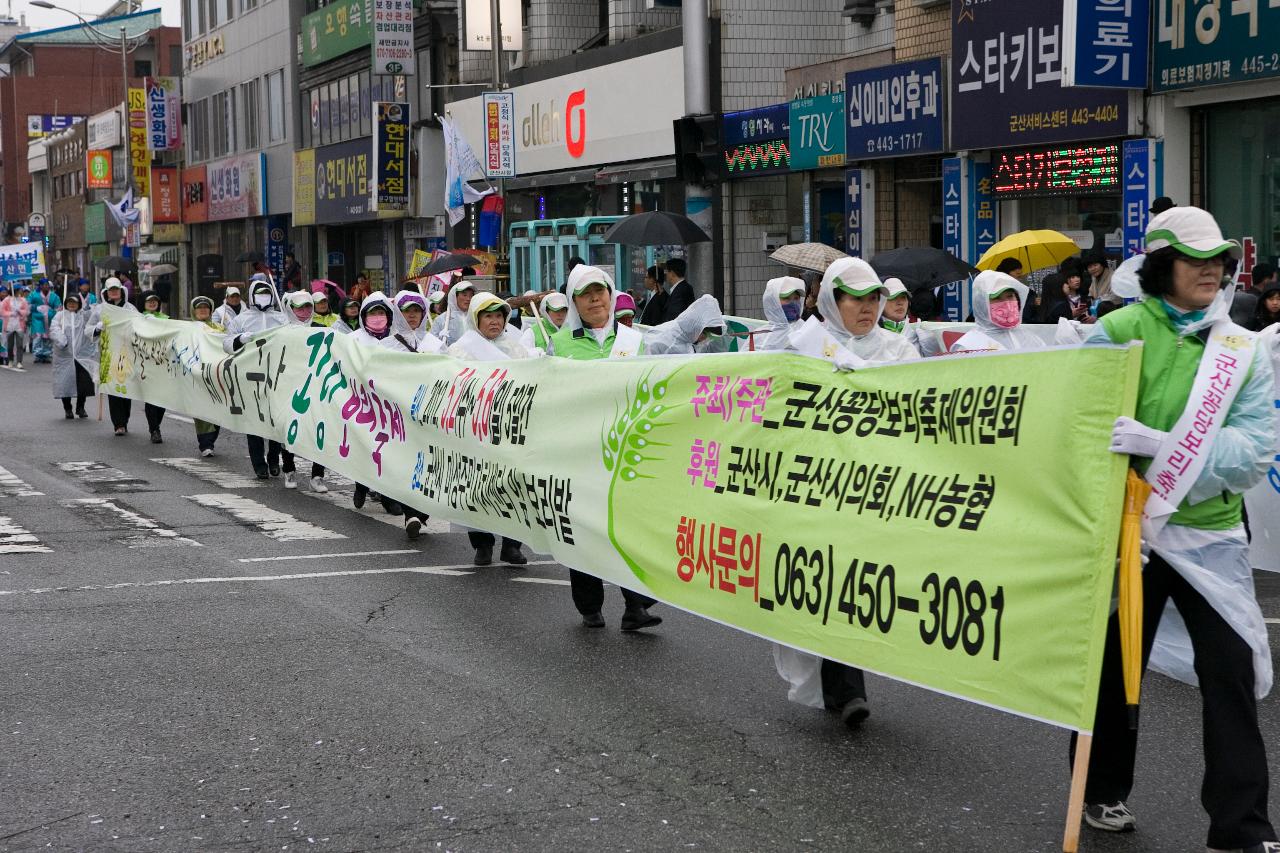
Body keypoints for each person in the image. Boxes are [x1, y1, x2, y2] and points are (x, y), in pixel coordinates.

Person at [1076, 207, 1277, 851]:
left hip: (1208, 536)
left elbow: (1251, 453)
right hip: (1124, 533)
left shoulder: (1240, 350)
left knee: (1231, 673)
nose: (1211, 271)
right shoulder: (1116, 331)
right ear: (1162, 266)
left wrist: (1159, 445)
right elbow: (1074, 430)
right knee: (1110, 671)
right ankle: (1099, 792)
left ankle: (1240, 825)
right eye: (1195, 260)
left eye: (1218, 260)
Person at [779, 257, 920, 730]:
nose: (866, 307)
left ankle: (849, 677)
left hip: (881, 489)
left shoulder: (900, 349)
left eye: (873, 297)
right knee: (832, 578)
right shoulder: (801, 345)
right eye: (854, 298)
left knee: (870, 581)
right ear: (831, 301)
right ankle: (847, 688)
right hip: (817, 486)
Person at [550, 264, 659, 630]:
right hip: (580, 455)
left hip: (625, 451)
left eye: (601, 291)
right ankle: (589, 606)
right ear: (575, 302)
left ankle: (636, 605)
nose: (596, 299)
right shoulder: (560, 344)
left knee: (630, 529)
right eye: (586, 294)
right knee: (584, 530)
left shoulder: (634, 341)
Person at [444, 292, 534, 561]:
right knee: (477, 487)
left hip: (510, 428)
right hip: (476, 429)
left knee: (513, 486)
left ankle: (512, 545)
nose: (494, 321)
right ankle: (482, 544)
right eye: (488, 316)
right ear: (476, 318)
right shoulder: (459, 351)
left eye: (499, 316)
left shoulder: (518, 350)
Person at [223, 277, 289, 478]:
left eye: (267, 293)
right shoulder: (240, 320)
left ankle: (273, 458)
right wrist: (240, 339)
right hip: (250, 378)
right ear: (251, 296)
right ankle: (259, 464)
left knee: (275, 421)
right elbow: (226, 344)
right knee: (254, 423)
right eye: (259, 293)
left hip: (276, 377)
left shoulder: (281, 318)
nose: (263, 297)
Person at [345, 294, 404, 517]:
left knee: (389, 450)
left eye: (381, 313)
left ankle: (389, 497)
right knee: (365, 447)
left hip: (391, 405)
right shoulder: (353, 339)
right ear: (364, 316)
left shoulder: (399, 339)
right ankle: (361, 483)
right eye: (372, 313)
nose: (377, 318)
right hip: (363, 404)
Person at [92, 278, 137, 434]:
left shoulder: (130, 308)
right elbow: (88, 329)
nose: (114, 292)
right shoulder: (99, 310)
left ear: (121, 290)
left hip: (126, 354)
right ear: (106, 292)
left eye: (116, 289)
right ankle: (118, 424)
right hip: (108, 354)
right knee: (112, 389)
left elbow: (138, 326)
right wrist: (97, 328)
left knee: (125, 387)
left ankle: (124, 419)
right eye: (111, 290)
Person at [962, 270, 1046, 351]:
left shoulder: (1031, 339)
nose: (1007, 303)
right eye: (997, 298)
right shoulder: (968, 347)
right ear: (982, 303)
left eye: (1010, 296)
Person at [49, 292, 97, 419]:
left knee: (83, 382)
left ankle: (80, 407)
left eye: (74, 302)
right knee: (65, 382)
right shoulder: (60, 316)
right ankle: (67, 408)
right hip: (64, 355)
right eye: (69, 302)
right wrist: (61, 339)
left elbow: (92, 323)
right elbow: (54, 329)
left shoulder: (83, 316)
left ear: (79, 304)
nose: (71, 304)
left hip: (82, 354)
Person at [189, 296, 224, 456]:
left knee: (217, 409)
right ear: (193, 310)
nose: (202, 310)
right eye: (199, 307)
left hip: (216, 375)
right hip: (196, 375)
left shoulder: (220, 328)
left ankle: (212, 439)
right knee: (201, 410)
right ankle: (205, 443)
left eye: (205, 307)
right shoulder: (187, 329)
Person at [136, 290, 170, 443]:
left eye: (155, 301)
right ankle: (154, 429)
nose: (152, 303)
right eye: (149, 301)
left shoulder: (167, 320)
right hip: (145, 364)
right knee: (150, 398)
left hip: (162, 363)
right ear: (143, 303)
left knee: (162, 399)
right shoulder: (137, 319)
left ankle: (157, 425)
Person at [643, 294, 725, 355]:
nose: (705, 339)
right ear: (697, 327)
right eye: (706, 334)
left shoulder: (687, 338)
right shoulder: (666, 341)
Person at [759, 276, 806, 351]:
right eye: (786, 298)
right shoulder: (760, 337)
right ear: (773, 301)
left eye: (796, 298)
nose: (793, 303)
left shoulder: (808, 330)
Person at [429, 279, 477, 346]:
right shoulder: (442, 319)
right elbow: (430, 346)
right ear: (455, 296)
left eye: (471, 295)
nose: (468, 299)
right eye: (464, 295)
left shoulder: (476, 317)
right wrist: (439, 341)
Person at [27, 277, 61, 363]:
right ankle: (38, 354)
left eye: (47, 285)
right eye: (45, 285)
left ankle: (47, 354)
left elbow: (58, 307)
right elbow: (27, 304)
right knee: (38, 336)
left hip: (50, 318)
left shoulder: (54, 296)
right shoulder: (33, 294)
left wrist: (52, 311)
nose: (47, 286)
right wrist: (36, 307)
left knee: (48, 337)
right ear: (41, 286)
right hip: (37, 318)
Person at [1, 281, 31, 370]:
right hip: (9, 325)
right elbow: (2, 311)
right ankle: (10, 360)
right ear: (15, 290)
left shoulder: (23, 300)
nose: (21, 292)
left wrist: (20, 311)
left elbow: (27, 311)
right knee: (10, 345)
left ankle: (19, 362)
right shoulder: (7, 300)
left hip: (19, 325)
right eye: (20, 290)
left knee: (19, 345)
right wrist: (11, 313)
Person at [659, 257, 695, 322]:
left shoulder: (681, 290)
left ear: (672, 273)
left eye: (667, 271)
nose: (666, 274)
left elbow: (674, 316)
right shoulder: (682, 288)